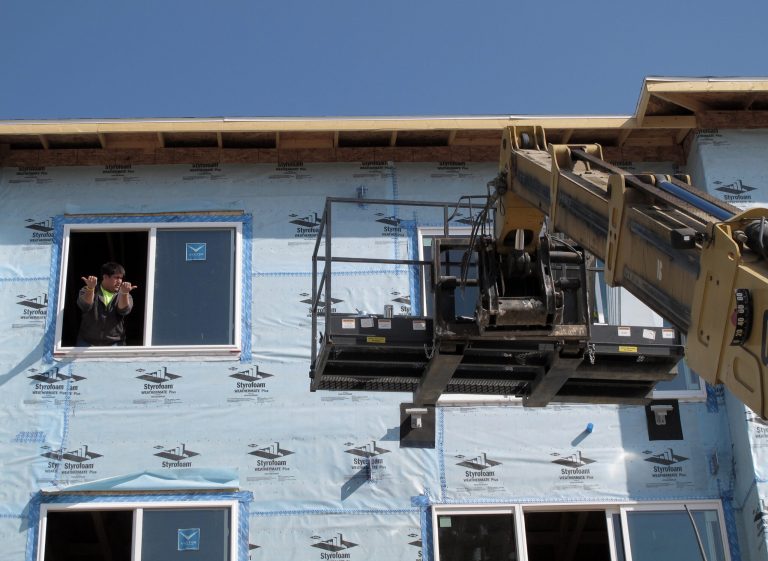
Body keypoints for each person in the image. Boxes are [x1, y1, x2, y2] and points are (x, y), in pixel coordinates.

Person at [76, 262, 137, 346]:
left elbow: (123, 311)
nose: (120, 281)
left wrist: (124, 293)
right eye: (116, 277)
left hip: (115, 343)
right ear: (105, 277)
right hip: (87, 341)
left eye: (121, 278)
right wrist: (90, 288)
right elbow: (85, 306)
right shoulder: (88, 290)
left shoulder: (124, 294)